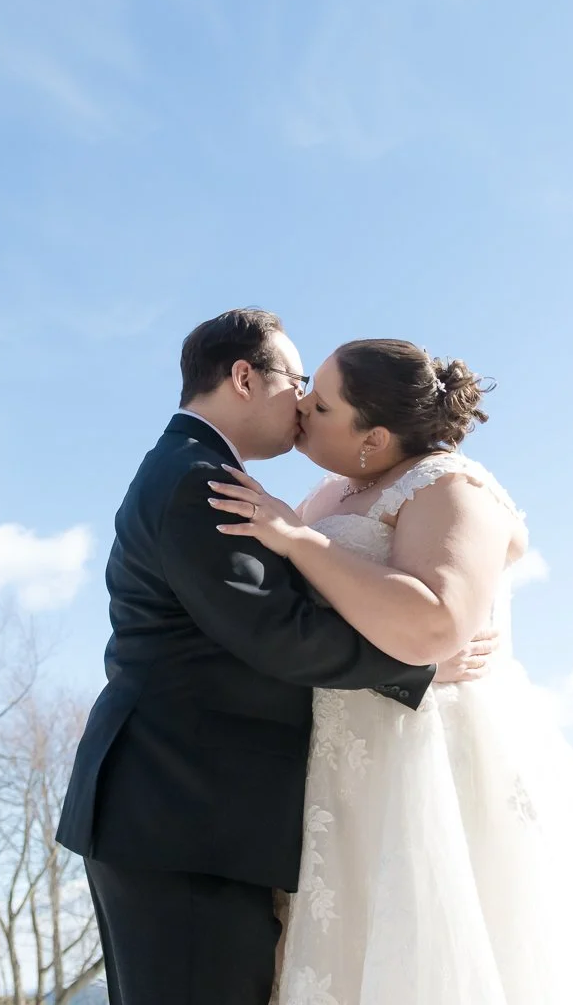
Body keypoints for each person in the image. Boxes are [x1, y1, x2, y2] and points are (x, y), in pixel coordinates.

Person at [209, 337, 573, 1005]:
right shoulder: (327, 491)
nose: (303, 407)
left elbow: (436, 625)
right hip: (336, 762)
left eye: (324, 403)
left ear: (375, 437)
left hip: (425, 761)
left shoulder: (451, 487)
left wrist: (298, 541)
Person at [54, 310, 500, 1005]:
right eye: (296, 382)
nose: (301, 404)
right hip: (181, 816)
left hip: (185, 815)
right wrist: (419, 667)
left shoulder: (201, 471)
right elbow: (276, 634)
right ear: (242, 377)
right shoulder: (198, 481)